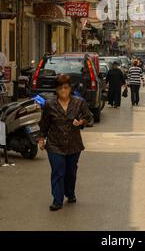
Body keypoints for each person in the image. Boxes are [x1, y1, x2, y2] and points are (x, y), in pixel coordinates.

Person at [38, 75, 91, 211]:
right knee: (58, 172)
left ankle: (70, 193)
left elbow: (88, 117)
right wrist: (41, 138)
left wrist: (81, 122)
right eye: (60, 88)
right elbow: (44, 124)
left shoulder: (79, 103)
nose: (63, 90)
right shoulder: (50, 104)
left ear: (70, 88)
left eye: (66, 87)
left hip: (74, 144)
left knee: (70, 172)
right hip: (55, 144)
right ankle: (57, 200)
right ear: (56, 90)